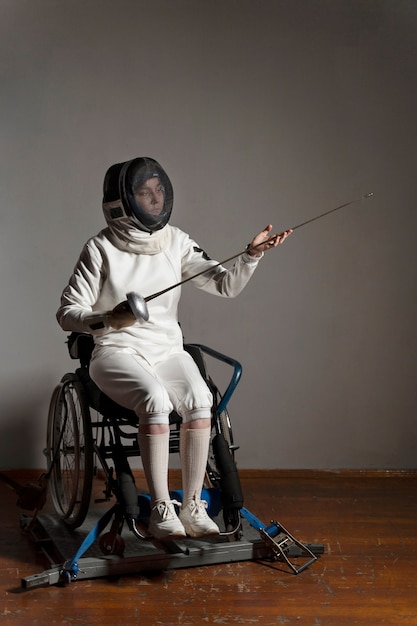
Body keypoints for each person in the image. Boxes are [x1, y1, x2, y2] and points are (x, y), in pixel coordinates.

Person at [56, 156, 292, 540]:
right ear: (122, 200)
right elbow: (67, 313)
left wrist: (251, 255)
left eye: (158, 191)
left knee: (201, 399)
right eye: (143, 192)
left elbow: (224, 284)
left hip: (166, 349)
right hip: (116, 350)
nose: (153, 199)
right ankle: (162, 508)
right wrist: (109, 319)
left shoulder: (176, 241)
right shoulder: (100, 248)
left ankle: (194, 506)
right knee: (154, 399)